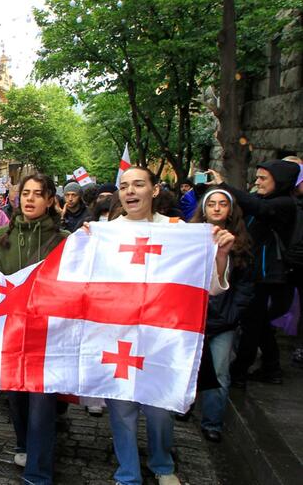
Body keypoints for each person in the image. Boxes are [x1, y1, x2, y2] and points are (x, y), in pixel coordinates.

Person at [101, 166, 232, 485]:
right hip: (118, 336)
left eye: (138, 184)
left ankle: (162, 464)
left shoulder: (178, 231)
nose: (130, 191)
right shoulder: (104, 233)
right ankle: (128, 473)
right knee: (121, 410)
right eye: (124, 186)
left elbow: (209, 288)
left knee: (159, 407)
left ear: (154, 190)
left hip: (161, 337)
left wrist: (221, 256)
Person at [0, 174, 69, 485]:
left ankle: (39, 472)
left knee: (42, 400)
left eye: (38, 194)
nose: (29, 199)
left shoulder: (64, 241)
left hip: (48, 335)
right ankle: (23, 443)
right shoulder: (0, 237)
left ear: (50, 200)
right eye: (25, 193)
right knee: (16, 397)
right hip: (11, 331)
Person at [207, 160, 298, 386]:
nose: (257, 182)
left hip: (265, 276)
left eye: (263, 178)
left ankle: (238, 373)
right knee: (260, 326)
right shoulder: (262, 199)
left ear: (280, 181)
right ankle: (271, 367)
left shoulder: (285, 204)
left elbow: (258, 209)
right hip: (250, 271)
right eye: (256, 177)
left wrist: (225, 186)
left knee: (251, 325)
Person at [190, 188, 254, 443]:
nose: (216, 208)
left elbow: (246, 286)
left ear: (230, 210)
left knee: (219, 372)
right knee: (189, 367)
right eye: (211, 204)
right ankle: (184, 407)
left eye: (222, 204)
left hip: (224, 321)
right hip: (193, 317)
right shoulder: (190, 239)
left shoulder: (241, 243)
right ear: (203, 209)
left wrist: (233, 314)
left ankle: (212, 422)